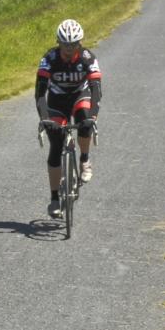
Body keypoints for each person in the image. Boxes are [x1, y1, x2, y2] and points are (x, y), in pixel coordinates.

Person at [35, 19, 101, 219]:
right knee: (55, 145)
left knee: (84, 119)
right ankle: (54, 198)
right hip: (56, 100)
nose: (69, 49)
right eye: (65, 44)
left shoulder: (88, 58)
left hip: (79, 95)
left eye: (73, 44)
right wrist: (45, 119)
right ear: (58, 42)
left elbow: (96, 90)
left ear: (80, 43)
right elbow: (40, 94)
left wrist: (93, 116)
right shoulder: (49, 58)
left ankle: (84, 159)